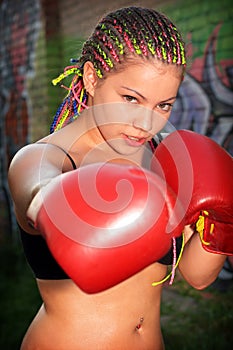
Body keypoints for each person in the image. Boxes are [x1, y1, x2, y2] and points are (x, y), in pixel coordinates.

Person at [8, 6, 232, 350]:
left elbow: (198, 276)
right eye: (131, 99)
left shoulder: (165, 159)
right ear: (93, 77)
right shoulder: (46, 158)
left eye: (163, 106)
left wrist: (222, 222)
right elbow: (38, 194)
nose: (146, 123)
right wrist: (62, 207)